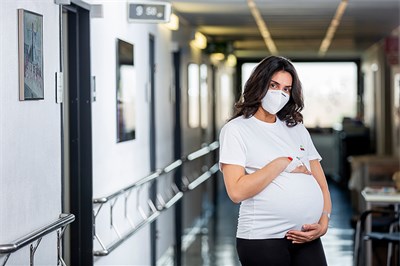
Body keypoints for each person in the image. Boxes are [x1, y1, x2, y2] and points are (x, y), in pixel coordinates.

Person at [219, 55, 332, 266]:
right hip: (262, 238)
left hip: (306, 236)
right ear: (259, 84)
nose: (279, 93)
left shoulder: (296, 129)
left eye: (286, 89)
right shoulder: (236, 130)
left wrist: (324, 221)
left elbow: (322, 186)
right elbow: (236, 192)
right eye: (273, 85)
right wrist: (282, 163)